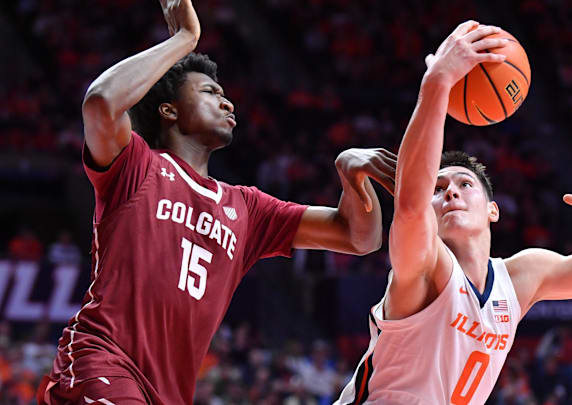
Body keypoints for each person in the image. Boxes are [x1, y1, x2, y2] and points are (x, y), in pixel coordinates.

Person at [37, 1, 395, 404]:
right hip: (101, 362)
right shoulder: (137, 165)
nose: (228, 103)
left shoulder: (248, 208)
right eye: (210, 92)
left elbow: (360, 238)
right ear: (169, 110)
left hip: (167, 392)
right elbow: (101, 103)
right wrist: (184, 40)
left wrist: (353, 177)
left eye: (225, 96)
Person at [335, 21, 572, 404]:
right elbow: (409, 206)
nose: (451, 192)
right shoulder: (424, 267)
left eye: (464, 184)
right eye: (438, 190)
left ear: (493, 210)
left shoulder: (523, 276)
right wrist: (437, 84)